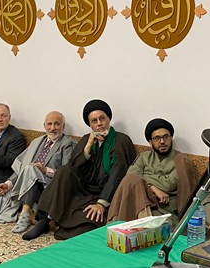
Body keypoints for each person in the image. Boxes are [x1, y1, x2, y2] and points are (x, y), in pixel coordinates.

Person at [23, 99, 137, 241]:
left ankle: (64, 222)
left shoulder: (121, 140)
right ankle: (44, 221)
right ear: (90, 124)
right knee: (64, 171)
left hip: (105, 195)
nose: (99, 123)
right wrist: (88, 146)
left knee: (86, 225)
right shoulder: (86, 139)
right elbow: (73, 168)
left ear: (109, 119)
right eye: (94, 121)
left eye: (102, 118)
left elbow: (118, 174)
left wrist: (101, 203)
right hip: (83, 191)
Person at [0, 111, 75, 230]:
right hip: (28, 183)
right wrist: (8, 184)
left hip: (50, 186)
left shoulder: (67, 144)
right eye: (49, 124)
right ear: (44, 126)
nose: (52, 128)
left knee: (31, 169)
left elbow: (66, 174)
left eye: (57, 124)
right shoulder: (36, 142)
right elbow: (21, 167)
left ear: (63, 126)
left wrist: (45, 170)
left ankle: (24, 213)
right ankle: (25, 210)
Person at [107, 118, 196, 229]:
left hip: (163, 211)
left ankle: (119, 228)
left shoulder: (181, 160)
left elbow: (167, 184)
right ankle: (119, 229)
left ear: (171, 138)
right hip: (139, 203)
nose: (162, 141)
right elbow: (130, 177)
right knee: (131, 181)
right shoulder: (144, 157)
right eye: (157, 138)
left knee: (135, 182)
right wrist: (153, 188)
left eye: (166, 137)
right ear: (150, 142)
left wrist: (143, 180)